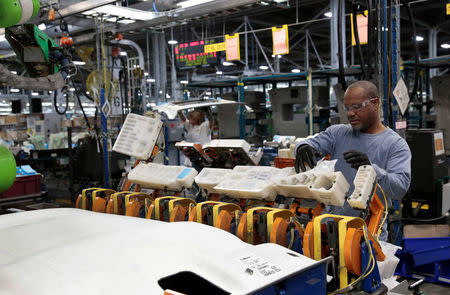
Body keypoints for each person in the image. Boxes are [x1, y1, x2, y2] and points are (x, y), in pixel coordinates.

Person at [294, 80, 411, 241]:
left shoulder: (395, 145)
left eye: (356, 107)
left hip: (369, 234)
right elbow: (310, 144)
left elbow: (400, 189)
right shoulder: (338, 133)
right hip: (330, 228)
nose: (350, 113)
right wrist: (302, 147)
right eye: (347, 108)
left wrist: (371, 170)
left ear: (375, 103)